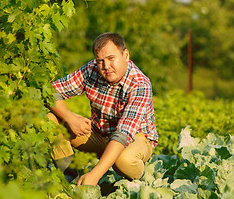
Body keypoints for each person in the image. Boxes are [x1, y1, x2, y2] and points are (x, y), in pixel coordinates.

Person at [48, 32, 158, 186]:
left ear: (125, 55)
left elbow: (123, 134)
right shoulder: (92, 69)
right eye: (100, 61)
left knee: (123, 160)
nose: (106, 66)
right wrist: (70, 118)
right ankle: (69, 180)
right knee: (50, 119)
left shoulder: (140, 84)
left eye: (111, 59)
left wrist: (95, 174)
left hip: (135, 138)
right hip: (101, 133)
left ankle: (141, 181)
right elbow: (50, 92)